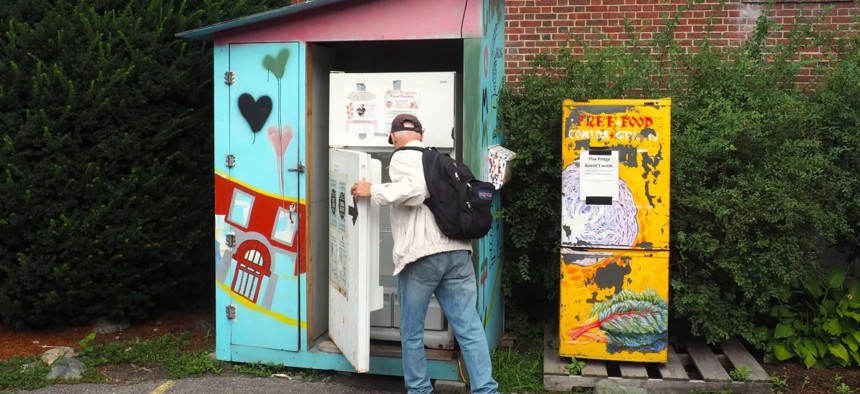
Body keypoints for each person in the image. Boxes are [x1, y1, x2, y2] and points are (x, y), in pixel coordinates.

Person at [351, 114, 499, 394]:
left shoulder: (401, 157)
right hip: (458, 252)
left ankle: (419, 390)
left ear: (393, 137)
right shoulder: (442, 160)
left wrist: (374, 190)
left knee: (412, 332)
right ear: (422, 134)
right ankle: (486, 390)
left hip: (423, 255)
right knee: (468, 327)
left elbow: (415, 190)